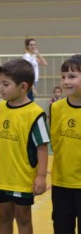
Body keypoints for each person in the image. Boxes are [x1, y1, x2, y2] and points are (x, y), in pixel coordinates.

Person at [0, 58, 50, 234]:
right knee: (4, 217)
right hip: (2, 176)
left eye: (5, 84)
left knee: (23, 218)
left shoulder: (35, 113)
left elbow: (42, 146)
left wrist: (41, 176)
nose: (0, 88)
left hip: (22, 178)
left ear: (23, 87)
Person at [50, 54, 81, 234]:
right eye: (63, 77)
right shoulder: (56, 108)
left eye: (72, 76)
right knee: (62, 228)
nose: (66, 82)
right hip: (61, 183)